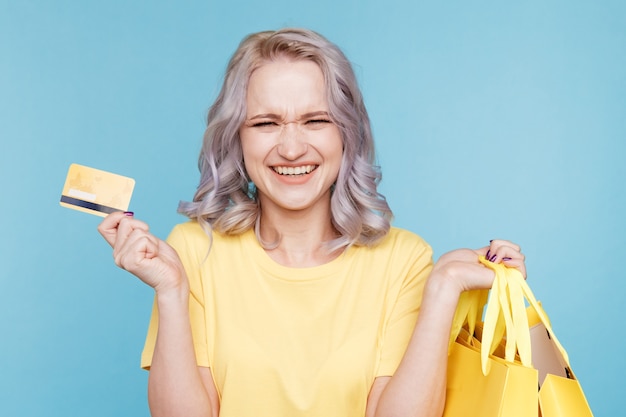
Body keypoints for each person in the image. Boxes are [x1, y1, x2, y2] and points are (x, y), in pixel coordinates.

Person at [98, 28, 526, 417]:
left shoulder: (405, 260)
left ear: (347, 133)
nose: (291, 148)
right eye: (266, 123)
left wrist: (443, 288)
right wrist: (172, 292)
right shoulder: (194, 250)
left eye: (315, 121)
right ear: (236, 139)